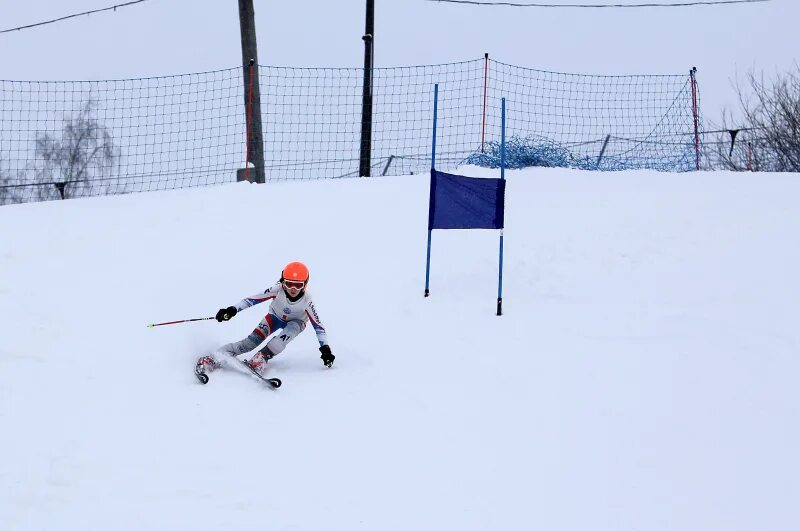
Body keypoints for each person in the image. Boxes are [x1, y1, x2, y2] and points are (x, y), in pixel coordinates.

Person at [196, 261, 334, 377]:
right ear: (282, 281)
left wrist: (325, 349)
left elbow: (319, 327)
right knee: (249, 343)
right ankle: (214, 357)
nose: (293, 289)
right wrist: (232, 310)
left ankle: (261, 358)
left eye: (298, 285)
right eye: (289, 283)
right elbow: (252, 300)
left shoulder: (307, 301)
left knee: (278, 343)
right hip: (274, 317)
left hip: (296, 323)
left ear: (305, 284)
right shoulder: (277, 289)